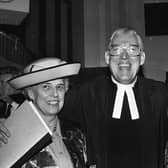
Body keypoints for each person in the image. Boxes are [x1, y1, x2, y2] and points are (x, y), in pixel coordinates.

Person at [58, 27, 168, 168]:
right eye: (116, 50)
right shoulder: (88, 92)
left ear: (142, 58)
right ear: (107, 58)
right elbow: (51, 107)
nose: (124, 57)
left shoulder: (160, 94)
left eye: (132, 50)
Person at [0, 57, 87, 168]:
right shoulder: (11, 134)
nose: (55, 93)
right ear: (31, 93)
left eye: (59, 87)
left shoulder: (76, 134)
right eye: (46, 87)